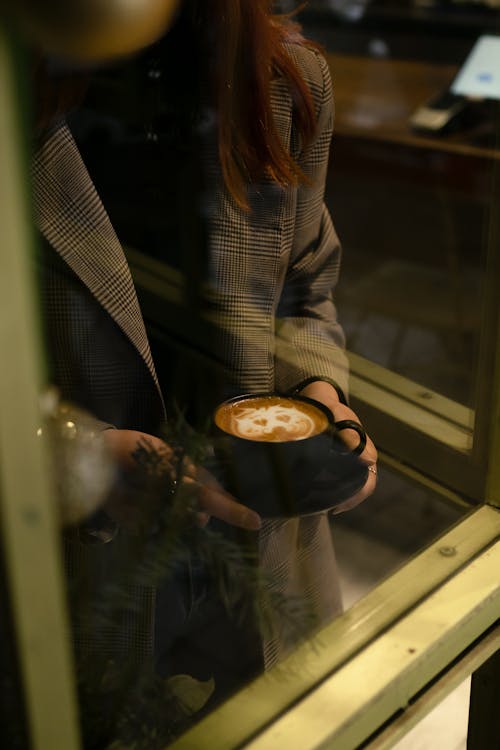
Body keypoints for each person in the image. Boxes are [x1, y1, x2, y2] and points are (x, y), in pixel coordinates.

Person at [33, 0, 377, 722]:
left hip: (267, 549)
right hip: (71, 568)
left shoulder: (286, 78)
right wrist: (78, 457)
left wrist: (321, 396)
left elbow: (309, 283)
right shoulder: (26, 83)